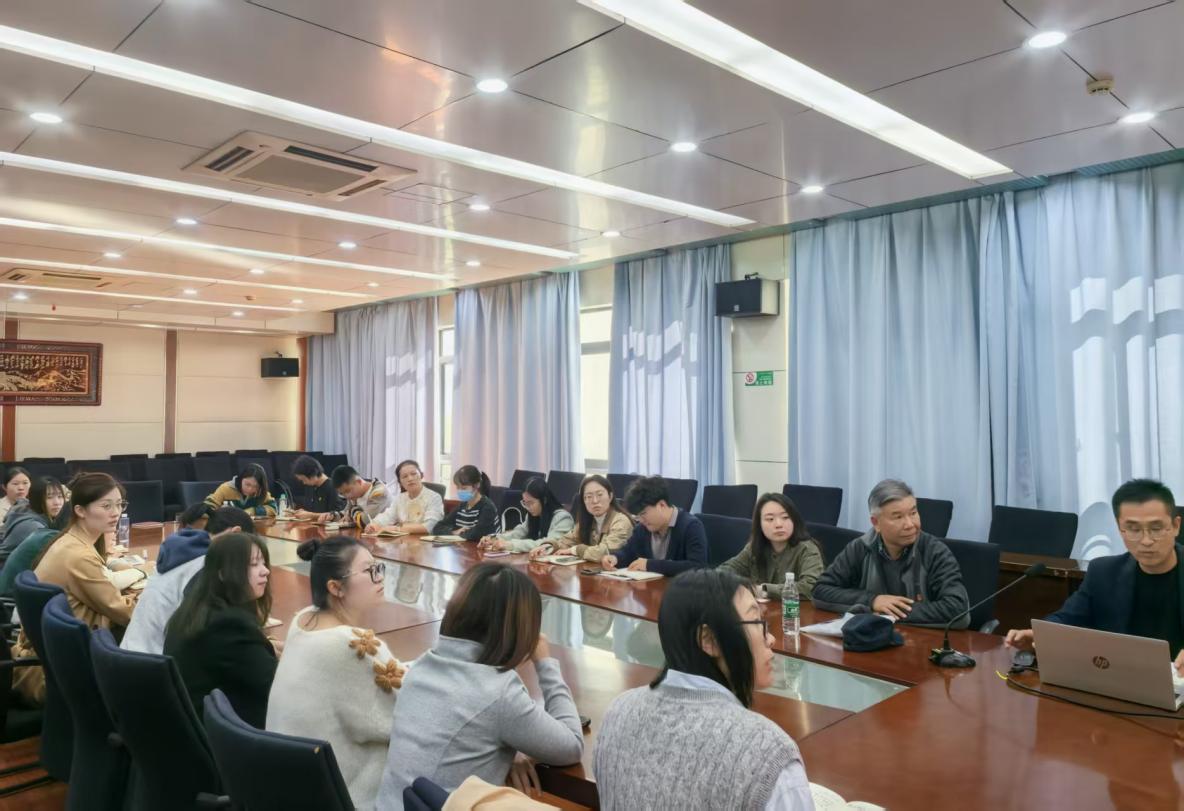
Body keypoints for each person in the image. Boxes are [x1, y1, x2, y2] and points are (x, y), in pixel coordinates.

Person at [593, 569, 813, 810]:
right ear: (709, 640)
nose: (770, 639)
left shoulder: (618, 712)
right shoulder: (768, 752)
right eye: (759, 623)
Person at [376, 564, 583, 808]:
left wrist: (511, 743)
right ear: (520, 628)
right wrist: (545, 662)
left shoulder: (422, 666)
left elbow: (465, 726)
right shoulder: (497, 691)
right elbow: (571, 746)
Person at [268, 537, 406, 810]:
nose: (380, 577)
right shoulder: (350, 645)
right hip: (341, 796)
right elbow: (406, 710)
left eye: (378, 567)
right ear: (335, 587)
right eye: (369, 571)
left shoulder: (304, 619)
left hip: (292, 788)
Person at [1007, 479, 1184, 675]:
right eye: (1134, 529)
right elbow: (1068, 618)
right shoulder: (1105, 572)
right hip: (1122, 679)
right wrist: (1041, 635)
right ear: (1120, 529)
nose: (1146, 540)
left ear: (1176, 526)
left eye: (1156, 529)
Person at [13, 473, 147, 705]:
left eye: (119, 504)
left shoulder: (71, 541)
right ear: (80, 510)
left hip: (51, 655)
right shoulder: (78, 555)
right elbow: (126, 614)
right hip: (61, 670)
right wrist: (147, 593)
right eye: (106, 506)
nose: (115, 512)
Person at [812, 479, 969, 628]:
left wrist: (885, 614)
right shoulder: (861, 547)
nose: (910, 524)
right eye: (898, 517)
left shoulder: (935, 552)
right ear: (876, 523)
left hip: (922, 640)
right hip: (870, 637)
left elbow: (958, 609)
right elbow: (821, 590)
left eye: (913, 513)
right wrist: (872, 600)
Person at [163, 531, 276, 727]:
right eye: (254, 564)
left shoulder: (198, 609)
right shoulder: (228, 626)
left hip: (195, 725)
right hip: (223, 735)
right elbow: (276, 685)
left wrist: (264, 646)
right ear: (224, 574)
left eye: (264, 563)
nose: (265, 571)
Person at [121, 507, 255, 654]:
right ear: (235, 533)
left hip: (131, 652)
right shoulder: (208, 565)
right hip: (158, 660)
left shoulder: (181, 552)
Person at [719, 493, 825, 600]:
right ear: (759, 524)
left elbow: (811, 587)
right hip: (762, 609)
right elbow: (722, 573)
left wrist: (764, 590)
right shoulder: (754, 548)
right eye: (770, 519)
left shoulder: (807, 549)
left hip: (796, 610)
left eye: (785, 517)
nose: (778, 524)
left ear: (794, 520)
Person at [600, 476, 708, 576]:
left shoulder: (691, 526)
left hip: (681, 589)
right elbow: (628, 552)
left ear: (661, 505)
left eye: (643, 514)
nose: (641, 520)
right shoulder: (642, 528)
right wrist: (615, 558)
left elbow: (697, 566)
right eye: (638, 516)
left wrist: (650, 565)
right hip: (650, 587)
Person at [528, 475, 633, 562]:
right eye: (589, 497)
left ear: (610, 496)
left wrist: (575, 550)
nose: (595, 501)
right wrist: (547, 547)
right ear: (583, 501)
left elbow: (605, 552)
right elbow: (566, 541)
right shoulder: (588, 521)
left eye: (599, 495)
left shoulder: (621, 521)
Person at [479, 477, 574, 553]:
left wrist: (511, 545)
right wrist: (494, 538)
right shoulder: (533, 515)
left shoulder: (563, 518)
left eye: (531, 503)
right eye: (525, 503)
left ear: (544, 500)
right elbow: (518, 533)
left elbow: (547, 544)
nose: (528, 507)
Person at [0, 475, 67, 569]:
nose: (57, 502)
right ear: (37, 499)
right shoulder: (34, 527)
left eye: (60, 496)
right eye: (49, 497)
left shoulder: (26, 507)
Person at [364, 460, 444, 537]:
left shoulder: (434, 497)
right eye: (405, 476)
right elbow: (387, 516)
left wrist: (397, 529)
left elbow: (429, 526)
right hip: (403, 542)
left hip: (425, 542)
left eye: (414, 474)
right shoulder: (400, 498)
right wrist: (373, 525)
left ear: (421, 476)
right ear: (400, 482)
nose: (410, 479)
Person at [431, 465, 497, 541]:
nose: (460, 491)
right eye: (458, 487)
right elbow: (437, 528)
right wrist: (454, 532)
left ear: (477, 485)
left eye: (464, 488)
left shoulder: (487, 507)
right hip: (463, 546)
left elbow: (476, 534)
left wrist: (460, 533)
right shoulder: (462, 506)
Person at [329, 465, 393, 528]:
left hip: (387, 532)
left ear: (359, 482)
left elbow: (365, 521)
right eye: (342, 494)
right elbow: (347, 512)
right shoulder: (354, 495)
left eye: (348, 491)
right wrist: (332, 516)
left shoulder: (379, 492)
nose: (347, 496)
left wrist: (351, 512)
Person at [205, 463, 278, 517]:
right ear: (241, 479)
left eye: (255, 486)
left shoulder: (260, 492)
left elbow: (273, 508)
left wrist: (252, 511)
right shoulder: (226, 488)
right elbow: (207, 508)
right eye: (247, 484)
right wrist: (220, 513)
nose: (250, 489)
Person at [290, 455, 345, 520]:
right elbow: (310, 511)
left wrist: (311, 515)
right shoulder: (310, 487)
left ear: (313, 475)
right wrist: (298, 513)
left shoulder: (333, 487)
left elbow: (337, 515)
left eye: (304, 479)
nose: (304, 483)